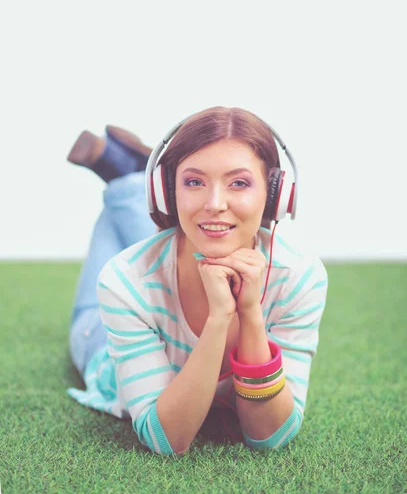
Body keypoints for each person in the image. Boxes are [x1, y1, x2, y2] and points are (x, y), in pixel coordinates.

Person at [66, 106, 328, 456]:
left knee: (194, 231)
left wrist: (250, 313)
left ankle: (123, 174)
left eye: (239, 182)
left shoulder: (300, 278)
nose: (215, 203)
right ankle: (123, 181)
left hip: (172, 255)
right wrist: (219, 318)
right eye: (193, 181)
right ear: (166, 192)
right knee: (114, 282)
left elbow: (271, 437)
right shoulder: (123, 280)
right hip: (98, 342)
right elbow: (167, 440)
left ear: (275, 195)